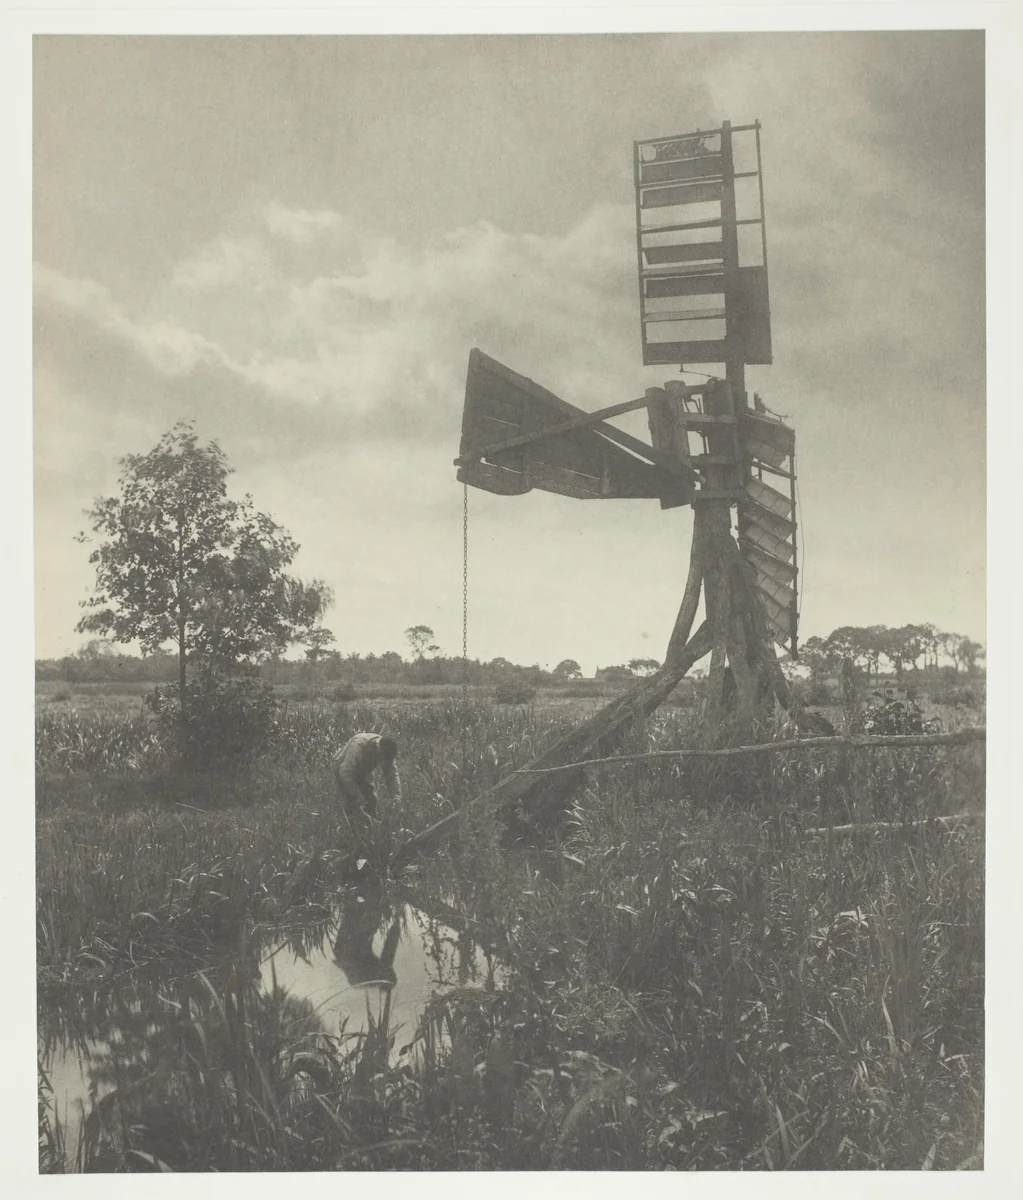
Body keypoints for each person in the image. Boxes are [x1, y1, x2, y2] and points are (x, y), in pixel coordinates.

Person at [334, 732, 401, 822]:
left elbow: (392, 774)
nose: (383, 763)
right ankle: (353, 826)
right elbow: (345, 772)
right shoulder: (358, 745)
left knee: (371, 800)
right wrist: (357, 794)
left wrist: (396, 797)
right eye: (382, 759)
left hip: (363, 771)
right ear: (379, 752)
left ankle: (372, 825)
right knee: (352, 805)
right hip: (343, 771)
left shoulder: (387, 750)